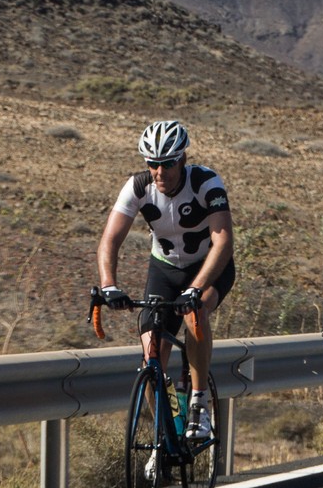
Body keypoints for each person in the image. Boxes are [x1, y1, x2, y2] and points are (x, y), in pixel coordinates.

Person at [97, 119, 235, 440]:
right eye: (153, 164)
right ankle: (167, 431)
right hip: (165, 270)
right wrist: (109, 284)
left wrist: (196, 288)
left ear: (183, 159)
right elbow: (110, 240)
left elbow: (224, 241)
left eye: (168, 163)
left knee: (194, 312)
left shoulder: (205, 182)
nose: (160, 172)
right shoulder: (138, 187)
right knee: (152, 356)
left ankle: (200, 406)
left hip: (210, 267)